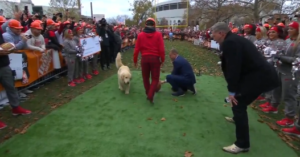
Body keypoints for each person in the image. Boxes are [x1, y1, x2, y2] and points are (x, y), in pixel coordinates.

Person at [210, 22, 280, 154]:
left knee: (238, 104)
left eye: (213, 33)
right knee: (239, 102)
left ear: (221, 33)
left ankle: (242, 144)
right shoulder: (233, 39)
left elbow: (233, 68)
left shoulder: (230, 42)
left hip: (259, 77)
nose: (211, 36)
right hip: (256, 75)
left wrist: (232, 90)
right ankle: (237, 120)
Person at [0, 20, 32, 130]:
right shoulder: (6, 33)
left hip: (4, 63)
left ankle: (15, 107)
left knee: (11, 87)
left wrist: (7, 48)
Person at [133, 17, 165, 103]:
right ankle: (150, 95)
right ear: (154, 25)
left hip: (145, 59)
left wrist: (135, 60)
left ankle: (148, 94)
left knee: (145, 78)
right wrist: (162, 60)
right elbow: (162, 50)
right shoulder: (158, 35)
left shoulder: (140, 35)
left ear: (145, 25)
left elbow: (136, 50)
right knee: (155, 79)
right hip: (155, 59)